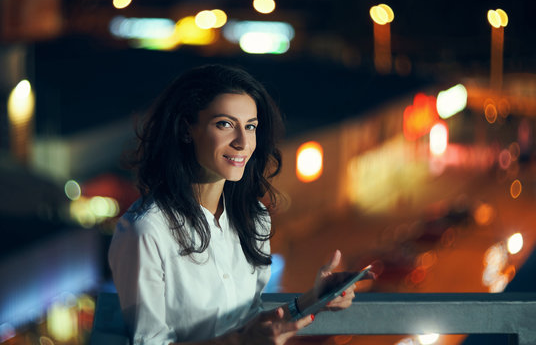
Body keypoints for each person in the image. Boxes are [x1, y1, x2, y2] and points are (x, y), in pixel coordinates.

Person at [108, 64, 356, 345]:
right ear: (187, 128)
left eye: (250, 126)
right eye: (225, 124)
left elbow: (250, 324)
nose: (242, 142)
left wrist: (313, 299)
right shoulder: (146, 230)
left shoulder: (254, 218)